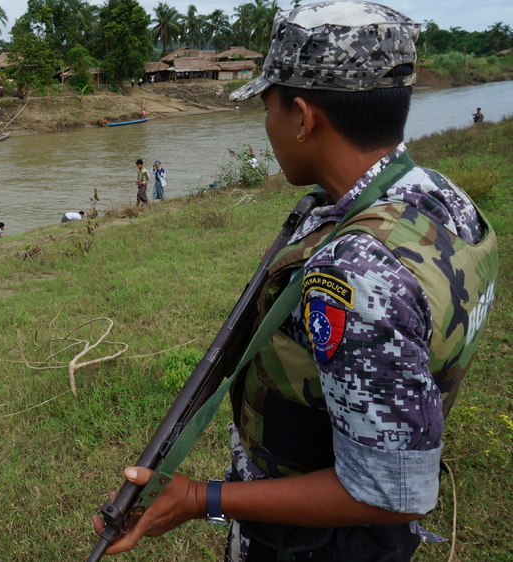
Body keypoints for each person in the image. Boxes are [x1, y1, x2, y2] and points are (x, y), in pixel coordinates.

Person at [92, 3, 499, 562]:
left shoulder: (358, 276)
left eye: (267, 108)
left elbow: (392, 493)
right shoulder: (441, 198)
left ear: (304, 118)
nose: (265, 126)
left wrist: (201, 499)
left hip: (320, 544)